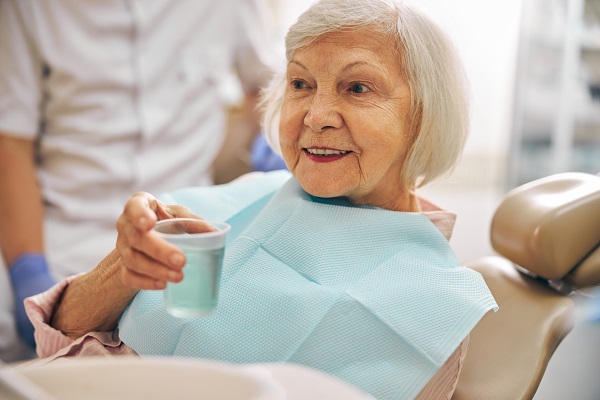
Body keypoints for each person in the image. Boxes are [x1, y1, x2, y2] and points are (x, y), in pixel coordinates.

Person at [25, 0, 498, 398]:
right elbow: (60, 334)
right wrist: (122, 270)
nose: (315, 116)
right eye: (300, 84)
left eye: (357, 88)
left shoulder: (429, 304)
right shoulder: (227, 206)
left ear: (423, 115)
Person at [0, 0, 276, 358]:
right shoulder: (26, 8)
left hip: (180, 232)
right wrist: (28, 267)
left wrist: (280, 135)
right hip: (60, 232)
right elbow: (11, 140)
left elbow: (265, 85)